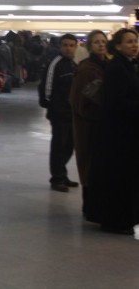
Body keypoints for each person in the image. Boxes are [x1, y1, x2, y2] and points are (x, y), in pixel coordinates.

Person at [87, 28, 139, 235]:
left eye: (135, 41)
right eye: (129, 42)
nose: (134, 45)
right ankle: (115, 220)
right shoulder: (117, 68)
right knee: (118, 177)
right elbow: (117, 102)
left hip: (125, 131)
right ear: (118, 46)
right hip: (117, 133)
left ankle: (122, 218)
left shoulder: (127, 65)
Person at [69, 30, 108, 218]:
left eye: (103, 41)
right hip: (89, 126)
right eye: (96, 42)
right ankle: (90, 207)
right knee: (89, 164)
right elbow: (81, 102)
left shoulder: (106, 66)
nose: (101, 45)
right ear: (90, 46)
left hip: (102, 125)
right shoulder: (87, 70)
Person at [39, 33, 78, 192]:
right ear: (60, 47)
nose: (68, 48)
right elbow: (46, 86)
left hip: (71, 113)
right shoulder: (55, 64)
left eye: (71, 45)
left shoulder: (73, 65)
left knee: (69, 146)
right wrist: (50, 105)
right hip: (59, 113)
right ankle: (56, 178)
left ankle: (62, 174)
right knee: (59, 146)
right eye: (65, 45)